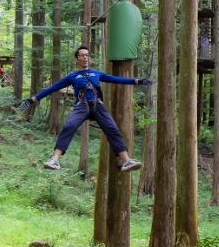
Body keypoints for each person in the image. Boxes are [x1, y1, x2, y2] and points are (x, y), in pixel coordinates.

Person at [18, 45, 150, 172]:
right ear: (77, 59)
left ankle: (126, 160)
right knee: (69, 126)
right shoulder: (72, 76)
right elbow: (53, 87)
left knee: (112, 128)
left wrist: (137, 81)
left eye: (87, 55)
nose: (85, 58)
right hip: (82, 105)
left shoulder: (96, 73)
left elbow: (116, 79)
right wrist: (34, 99)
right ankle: (55, 160)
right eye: (82, 55)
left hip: (97, 105)